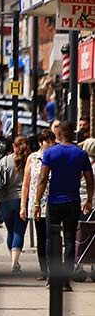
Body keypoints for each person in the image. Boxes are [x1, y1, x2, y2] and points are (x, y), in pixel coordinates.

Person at [36, 121, 94, 291]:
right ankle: (66, 280)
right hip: (73, 201)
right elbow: (90, 180)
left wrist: (37, 202)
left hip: (54, 202)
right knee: (70, 240)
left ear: (58, 135)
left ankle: (52, 277)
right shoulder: (81, 154)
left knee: (50, 239)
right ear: (73, 134)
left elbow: (43, 179)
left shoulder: (50, 153)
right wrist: (89, 200)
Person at [0, 135, 30, 273]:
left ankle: (13, 259)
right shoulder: (30, 161)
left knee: (10, 231)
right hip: (22, 200)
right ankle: (14, 262)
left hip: (5, 200)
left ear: (14, 146)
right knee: (19, 231)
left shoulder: (5, 160)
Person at [21, 129, 56, 281]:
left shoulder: (56, 157)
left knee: (52, 236)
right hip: (36, 203)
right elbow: (26, 183)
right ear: (41, 143)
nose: (50, 144)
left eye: (52, 141)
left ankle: (54, 269)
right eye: (47, 141)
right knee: (41, 237)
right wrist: (23, 205)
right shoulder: (33, 158)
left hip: (53, 201)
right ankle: (44, 270)